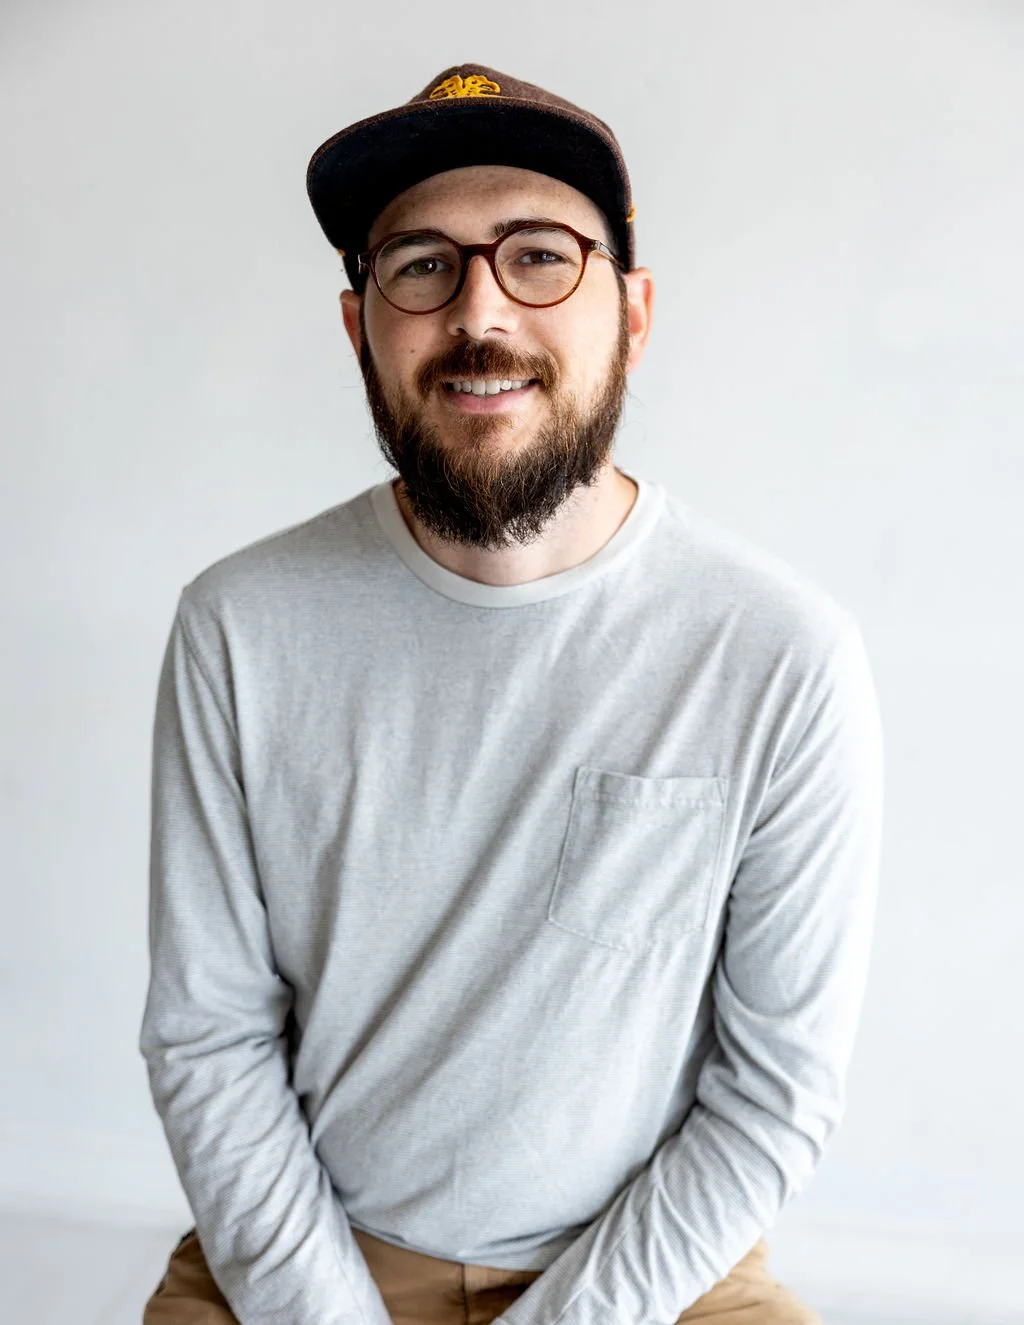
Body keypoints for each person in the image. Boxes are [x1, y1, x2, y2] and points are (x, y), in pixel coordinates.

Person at [140, 63, 884, 1325]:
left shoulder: (778, 653)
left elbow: (773, 1093)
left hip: (657, 1271)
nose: (479, 311)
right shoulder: (240, 626)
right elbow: (207, 1037)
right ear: (358, 322)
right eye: (420, 264)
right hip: (308, 1249)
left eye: (540, 255)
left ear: (633, 312)